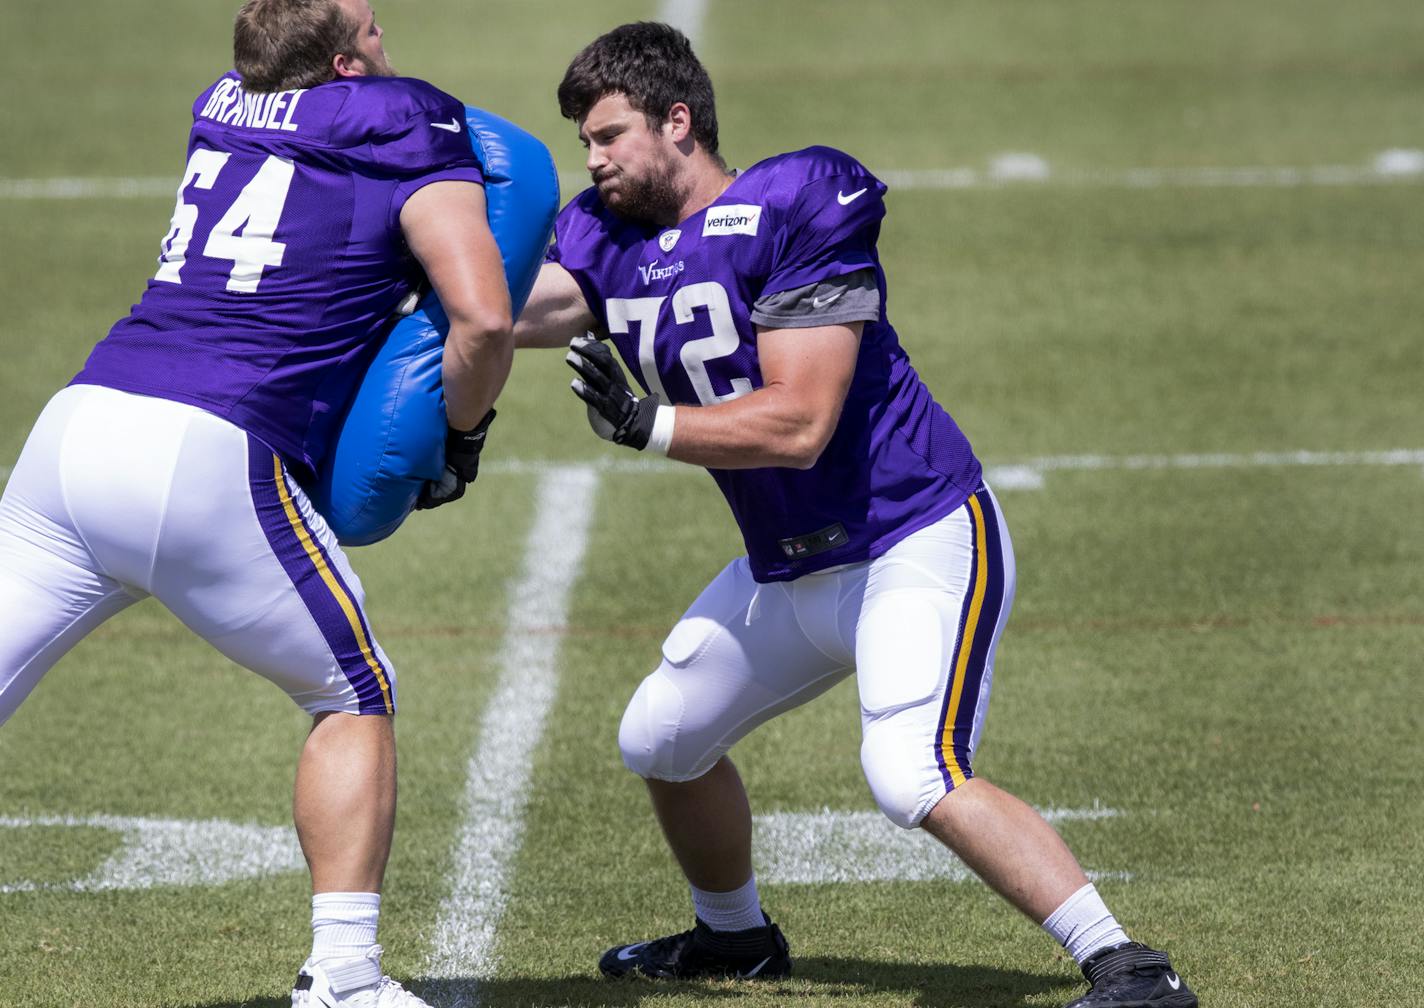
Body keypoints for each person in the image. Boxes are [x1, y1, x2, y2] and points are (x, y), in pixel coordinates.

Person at [514, 21, 1197, 1008]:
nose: (593, 158)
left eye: (609, 134)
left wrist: (648, 424)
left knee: (908, 772)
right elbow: (508, 308)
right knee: (659, 738)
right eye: (583, 140)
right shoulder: (605, 237)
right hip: (789, 566)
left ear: (677, 121)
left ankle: (1128, 965)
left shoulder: (796, 203)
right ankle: (733, 939)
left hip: (910, 536)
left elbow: (798, 422)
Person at [0, 2, 512, 1006]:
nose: (383, 32)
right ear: (341, 60)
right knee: (351, 693)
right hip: (204, 448)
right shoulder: (402, 118)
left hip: (76, 429)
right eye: (367, 26)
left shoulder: (219, 103)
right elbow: (484, 316)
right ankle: (347, 977)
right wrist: (459, 431)